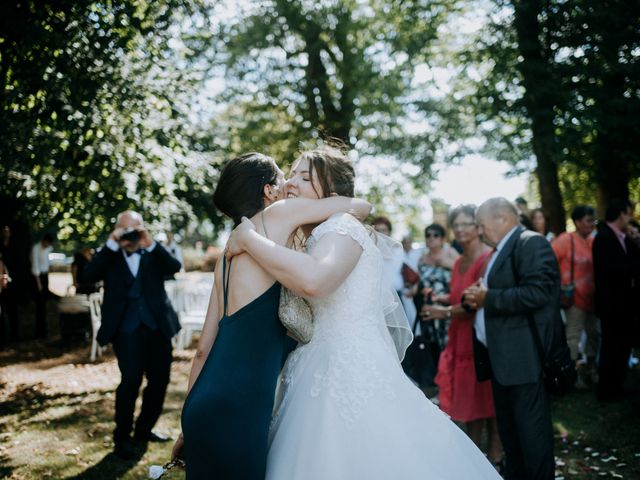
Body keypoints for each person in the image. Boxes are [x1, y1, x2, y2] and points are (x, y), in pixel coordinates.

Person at [225, 148, 501, 480]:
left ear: (332, 193)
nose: (292, 183)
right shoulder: (316, 234)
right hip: (316, 364)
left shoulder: (341, 228)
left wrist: (249, 239)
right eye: (292, 173)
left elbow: (315, 280)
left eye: (305, 177)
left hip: (348, 368)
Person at [173, 150, 373, 479]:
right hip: (241, 406)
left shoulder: (227, 255)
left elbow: (202, 349)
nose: (290, 186)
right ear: (268, 190)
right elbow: (359, 207)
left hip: (202, 404)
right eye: (284, 178)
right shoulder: (280, 214)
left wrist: (186, 426)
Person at [462, 197, 559, 480]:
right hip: (501, 361)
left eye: (481, 224)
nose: (479, 231)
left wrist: (488, 297)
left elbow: (539, 293)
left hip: (524, 359)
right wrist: (476, 297)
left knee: (532, 441)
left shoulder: (531, 243)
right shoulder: (497, 252)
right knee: (512, 439)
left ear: (502, 218)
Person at [80, 211, 181, 460]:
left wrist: (151, 243)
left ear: (143, 229)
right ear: (116, 231)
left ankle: (144, 429)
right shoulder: (110, 256)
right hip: (126, 331)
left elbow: (174, 267)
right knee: (131, 380)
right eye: (124, 229)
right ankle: (122, 436)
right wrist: (112, 244)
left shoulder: (152, 253)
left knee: (159, 380)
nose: (130, 234)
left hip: (157, 327)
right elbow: (87, 277)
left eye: (134, 229)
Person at [420, 204, 502, 469]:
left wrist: (443, 311)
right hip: (459, 336)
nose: (460, 229)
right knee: (470, 403)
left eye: (466, 223)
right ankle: (475, 460)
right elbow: (460, 296)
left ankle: (496, 459)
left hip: (480, 339)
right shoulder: (457, 261)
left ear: (478, 226)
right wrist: (443, 298)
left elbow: (474, 304)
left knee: (488, 401)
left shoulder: (487, 258)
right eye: (456, 225)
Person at [592, 198, 640, 402]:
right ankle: (607, 390)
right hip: (612, 304)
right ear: (621, 214)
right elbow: (609, 270)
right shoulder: (604, 238)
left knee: (623, 346)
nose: (629, 218)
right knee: (612, 347)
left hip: (625, 304)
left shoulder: (623, 237)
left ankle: (618, 386)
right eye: (628, 214)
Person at [551, 205, 598, 386]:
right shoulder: (565, 240)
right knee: (573, 337)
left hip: (593, 298)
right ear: (577, 222)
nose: (592, 224)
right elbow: (548, 260)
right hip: (573, 298)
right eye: (588, 221)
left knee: (595, 334)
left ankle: (591, 368)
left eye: (593, 220)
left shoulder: (594, 241)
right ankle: (571, 374)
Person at [409, 223, 459, 385]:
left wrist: (446, 263)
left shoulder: (450, 252)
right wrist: (417, 290)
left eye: (435, 235)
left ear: (443, 238)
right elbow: (422, 281)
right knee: (433, 346)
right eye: (428, 235)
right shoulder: (423, 257)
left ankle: (452, 383)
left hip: (447, 305)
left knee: (449, 345)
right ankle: (439, 383)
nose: (431, 238)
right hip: (429, 307)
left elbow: (462, 274)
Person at [30, 233, 54, 338]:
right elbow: (35, 267)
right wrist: (39, 284)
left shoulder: (48, 249)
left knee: (44, 305)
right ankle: (39, 331)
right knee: (40, 306)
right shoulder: (36, 248)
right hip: (37, 278)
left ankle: (44, 330)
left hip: (45, 277)